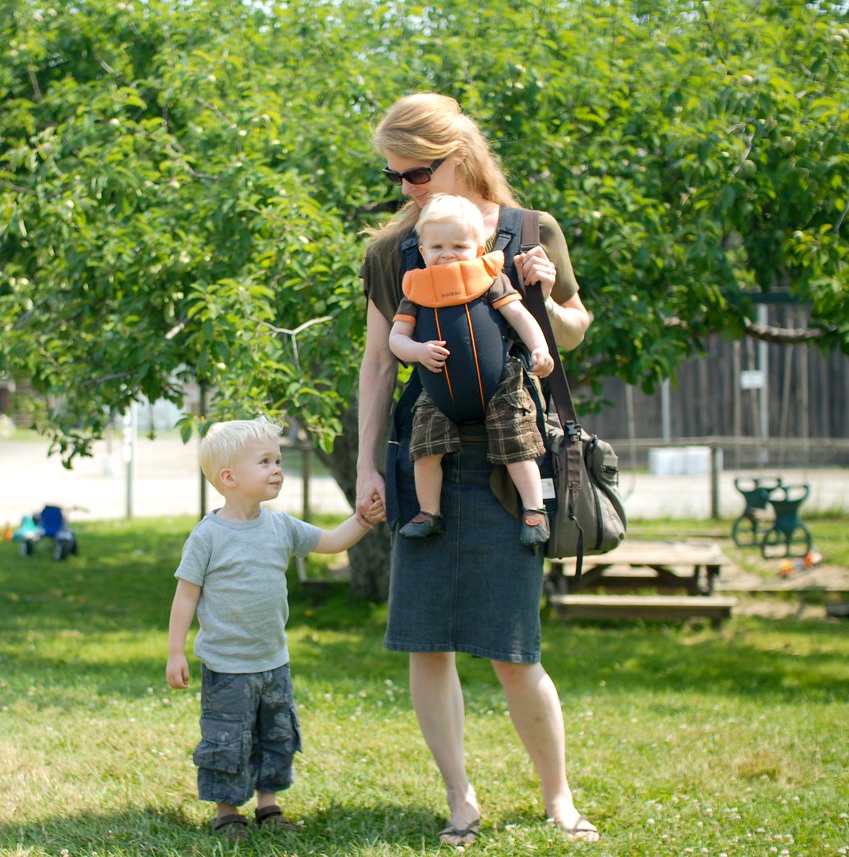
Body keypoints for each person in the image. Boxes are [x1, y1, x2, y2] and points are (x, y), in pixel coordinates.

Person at [355, 92, 598, 846]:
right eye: (395, 176)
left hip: (510, 463)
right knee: (426, 640)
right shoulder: (394, 252)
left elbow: (576, 327)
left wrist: (546, 293)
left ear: (458, 152)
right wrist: (366, 461)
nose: (406, 189)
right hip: (426, 458)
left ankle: (557, 796)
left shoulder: (531, 229)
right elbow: (375, 365)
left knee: (512, 648)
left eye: (417, 172)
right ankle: (461, 797)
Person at [166, 416, 385, 843]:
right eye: (264, 461)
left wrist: (362, 520)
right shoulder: (207, 537)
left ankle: (268, 805)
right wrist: (177, 652)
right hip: (227, 666)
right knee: (227, 739)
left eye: (278, 460)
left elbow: (331, 541)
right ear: (229, 477)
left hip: (273, 662)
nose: (277, 469)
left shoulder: (280, 526)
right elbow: (185, 597)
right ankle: (228, 812)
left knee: (276, 734)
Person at [387, 192, 555, 545]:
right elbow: (396, 339)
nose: (447, 254)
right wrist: (417, 351)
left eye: (459, 246)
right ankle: (429, 512)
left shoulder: (490, 280)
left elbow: (520, 318)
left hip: (500, 383)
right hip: (438, 390)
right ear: (422, 251)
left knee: (517, 441)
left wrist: (540, 348)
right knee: (425, 447)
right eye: (437, 247)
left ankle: (534, 510)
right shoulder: (416, 292)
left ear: (479, 248)